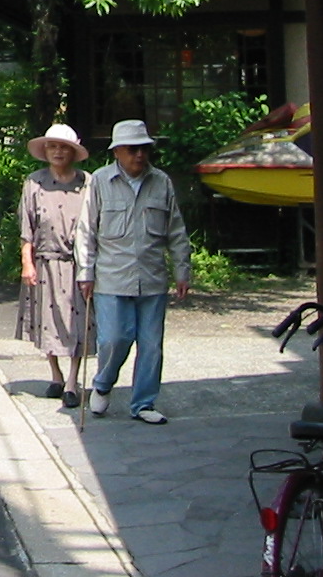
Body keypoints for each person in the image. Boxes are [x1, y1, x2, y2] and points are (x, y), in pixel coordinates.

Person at [74, 119, 190, 425]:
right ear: (117, 152)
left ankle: (144, 403)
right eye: (132, 149)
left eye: (144, 148)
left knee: (151, 344)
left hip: (152, 277)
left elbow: (175, 229)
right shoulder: (99, 181)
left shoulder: (161, 181)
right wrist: (85, 272)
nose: (139, 155)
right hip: (111, 277)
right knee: (114, 339)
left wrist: (182, 269)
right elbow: (86, 230)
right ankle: (102, 383)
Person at [15, 123, 93, 408]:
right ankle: (55, 375)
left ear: (73, 151)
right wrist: (27, 263)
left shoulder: (88, 183)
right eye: (52, 146)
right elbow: (27, 229)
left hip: (77, 265)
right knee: (46, 322)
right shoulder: (34, 183)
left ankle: (72, 380)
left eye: (63, 147)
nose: (58, 152)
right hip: (44, 263)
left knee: (77, 322)